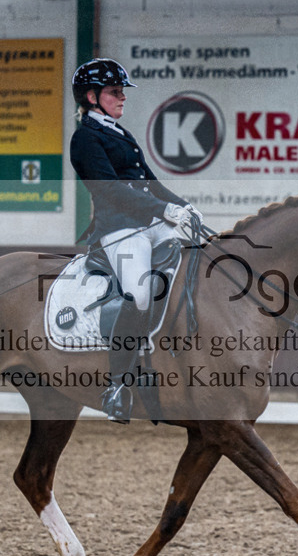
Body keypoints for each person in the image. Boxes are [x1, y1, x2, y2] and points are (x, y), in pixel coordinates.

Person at [70, 58, 201, 424]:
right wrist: (164, 212)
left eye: (122, 91)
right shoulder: (85, 139)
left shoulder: (119, 132)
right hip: (119, 230)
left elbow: (150, 182)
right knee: (140, 293)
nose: (122, 97)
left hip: (148, 222)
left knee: (198, 258)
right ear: (92, 96)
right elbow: (113, 192)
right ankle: (116, 384)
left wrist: (182, 207)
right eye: (115, 92)